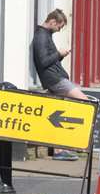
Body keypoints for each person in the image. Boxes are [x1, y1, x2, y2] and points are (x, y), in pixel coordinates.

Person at [32, 9, 86, 161]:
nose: (59, 30)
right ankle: (78, 141)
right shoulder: (41, 36)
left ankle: (59, 150)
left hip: (54, 78)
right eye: (59, 27)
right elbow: (43, 62)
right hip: (54, 79)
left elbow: (49, 61)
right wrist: (59, 54)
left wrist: (60, 56)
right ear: (52, 22)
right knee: (85, 101)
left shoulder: (46, 35)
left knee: (57, 114)